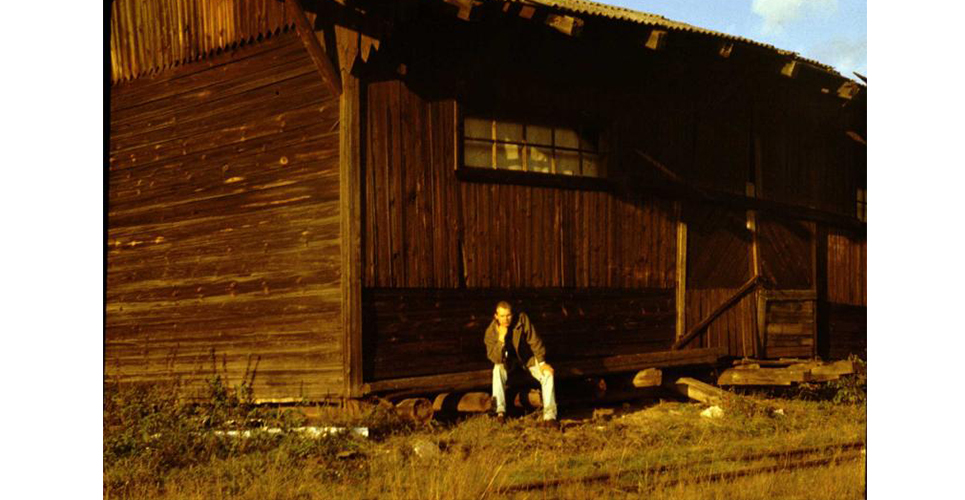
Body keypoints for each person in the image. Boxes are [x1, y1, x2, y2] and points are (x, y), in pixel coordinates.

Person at [484, 301, 558, 428]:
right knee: (497, 370)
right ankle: (500, 412)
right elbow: (496, 359)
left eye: (508, 315)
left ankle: (550, 417)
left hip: (527, 360)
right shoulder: (491, 333)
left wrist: (542, 363)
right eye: (502, 316)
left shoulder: (522, 319)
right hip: (507, 363)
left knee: (548, 374)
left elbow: (534, 340)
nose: (506, 319)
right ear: (496, 316)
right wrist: (501, 339)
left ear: (512, 314)